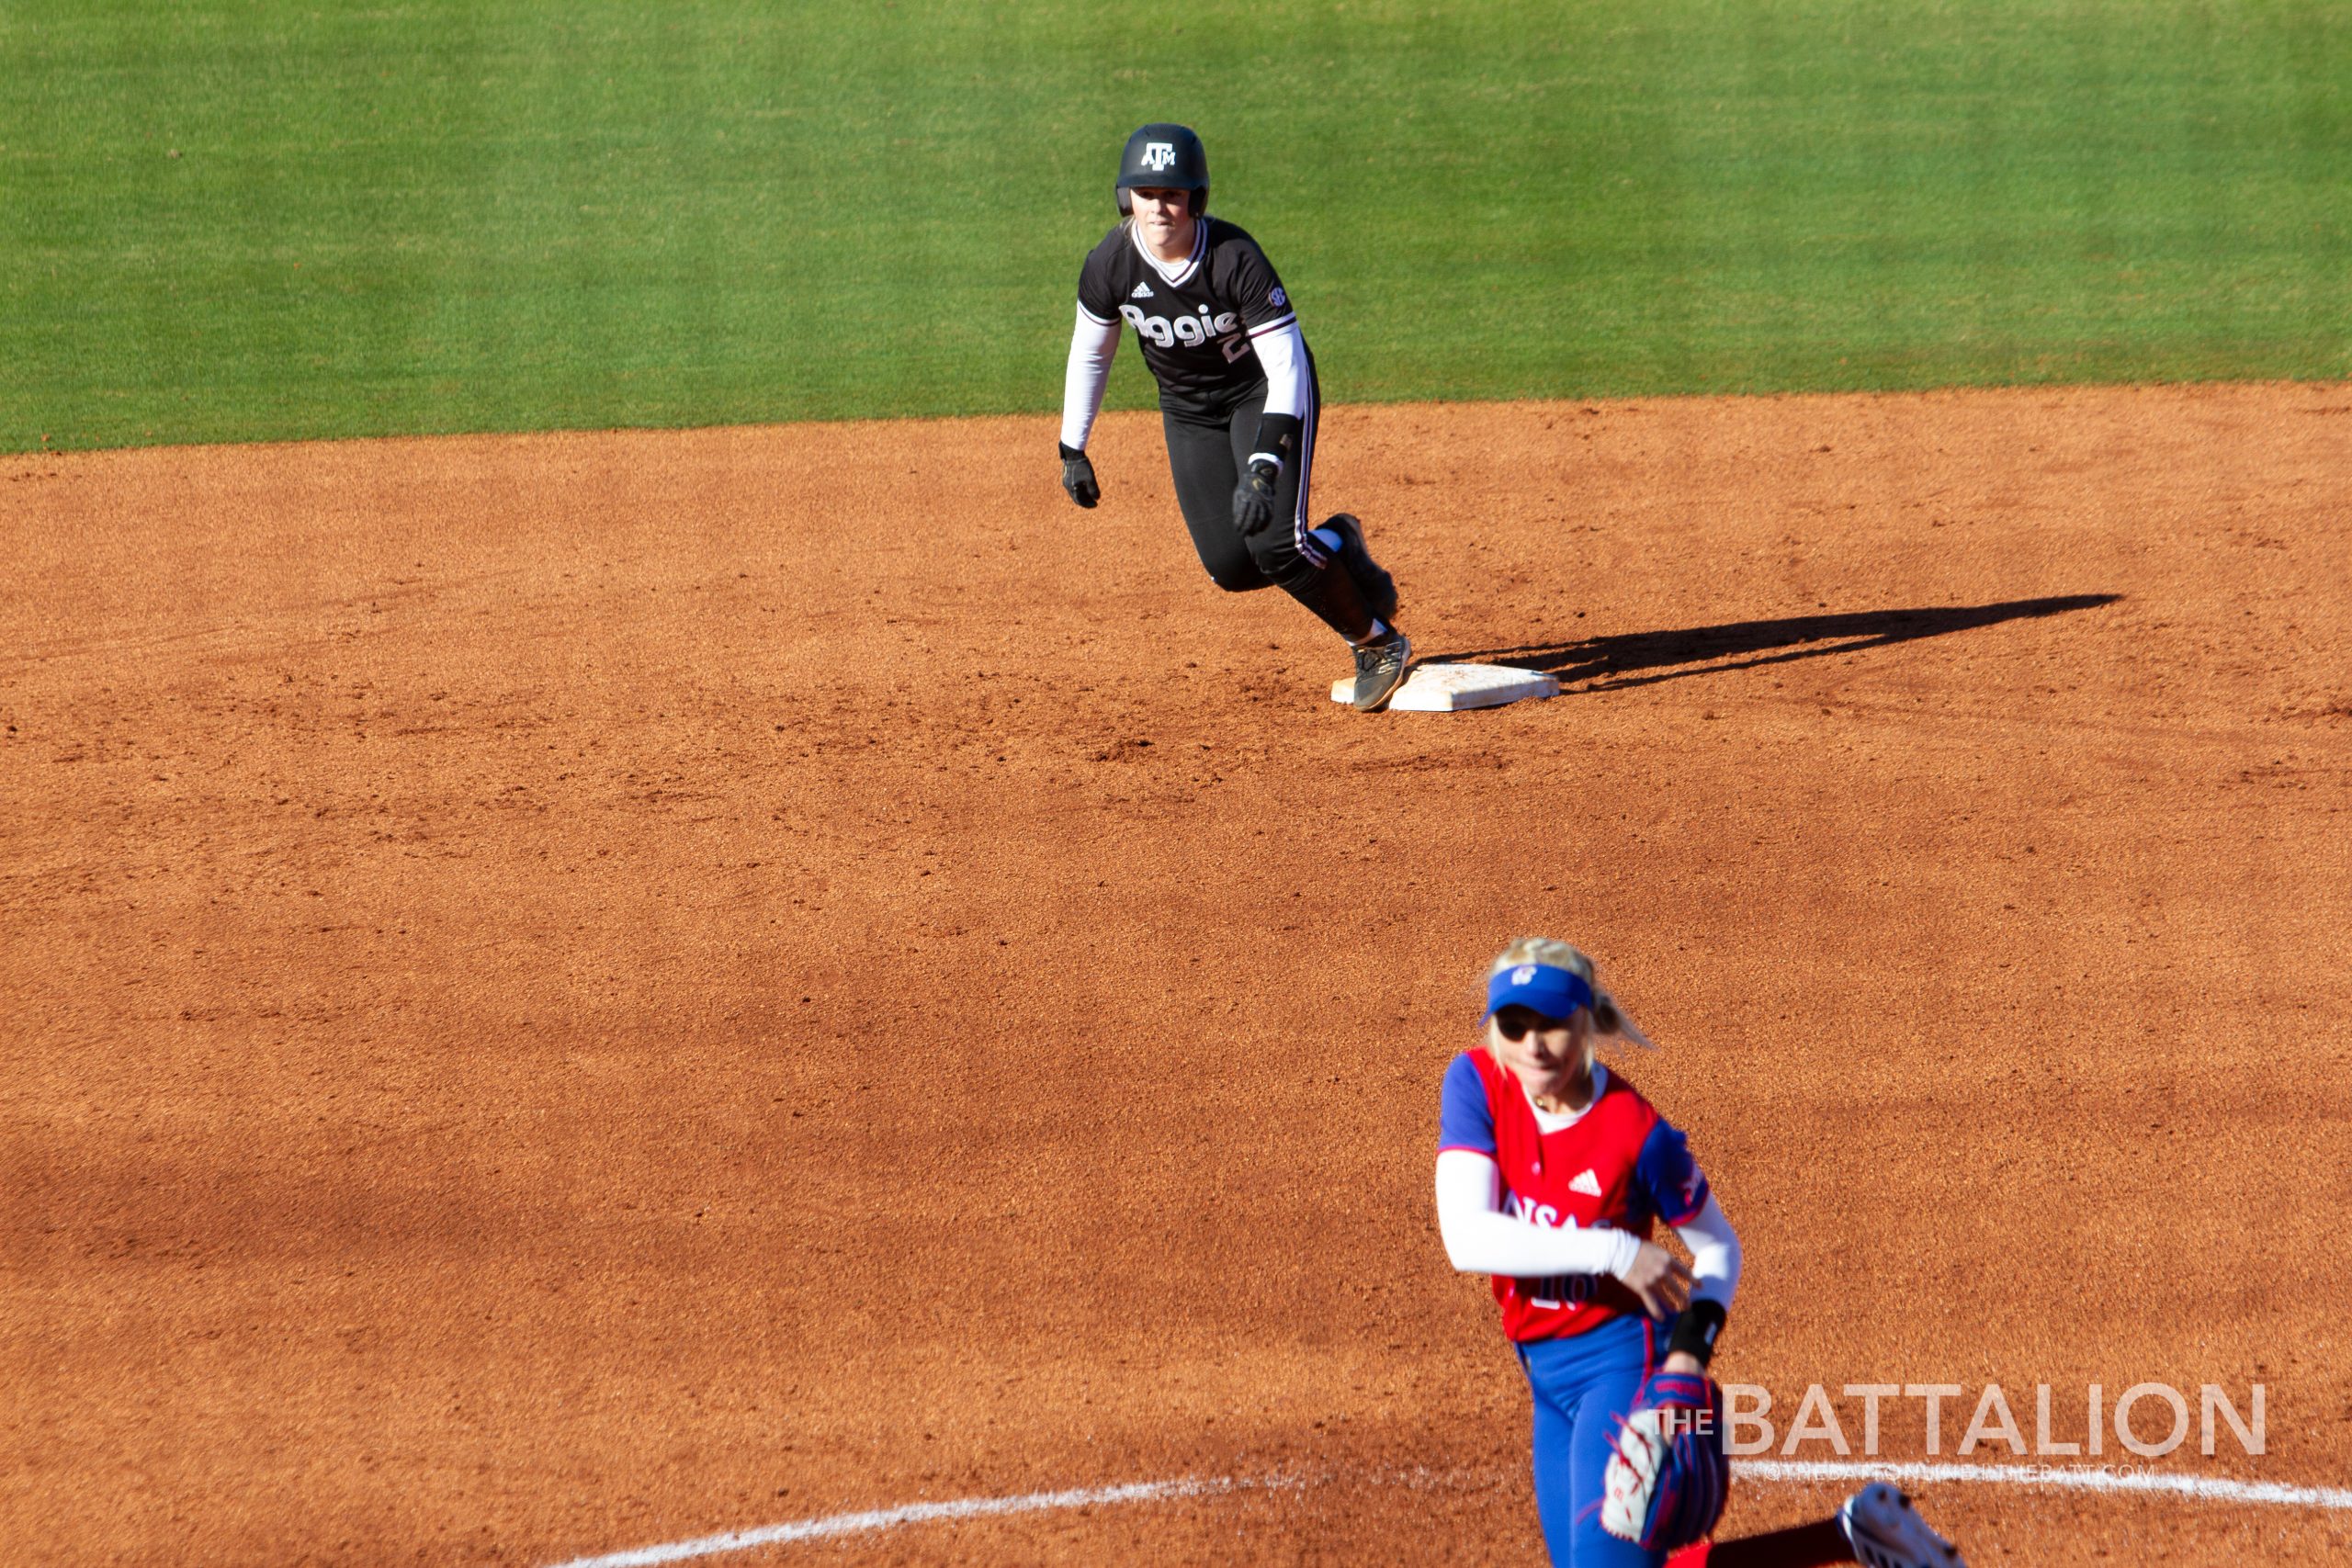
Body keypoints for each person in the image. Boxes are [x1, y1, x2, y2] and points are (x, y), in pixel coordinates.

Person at [1435, 939, 1967, 1568]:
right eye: (1513, 1023)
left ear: (1586, 1019)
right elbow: (1467, 1236)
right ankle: (1855, 1534)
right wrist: (1612, 1247)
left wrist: (1689, 1355)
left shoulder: (1636, 1133)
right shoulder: (1476, 1081)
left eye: (1550, 1021)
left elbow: (1719, 1246)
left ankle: (1858, 1535)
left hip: (1622, 1365)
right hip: (1546, 1375)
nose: (1532, 1043)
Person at [1056, 123, 1415, 712]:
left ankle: (1377, 643)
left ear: (1195, 198)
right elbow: (1091, 352)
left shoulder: (1234, 257)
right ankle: (1338, 540)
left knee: (1274, 543)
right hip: (1189, 412)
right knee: (1231, 566)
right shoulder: (1109, 265)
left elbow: (1288, 368)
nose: (1159, 207)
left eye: (1173, 194)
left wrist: (1265, 466)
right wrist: (1073, 447)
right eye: (1146, 194)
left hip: (1266, 395)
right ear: (1127, 198)